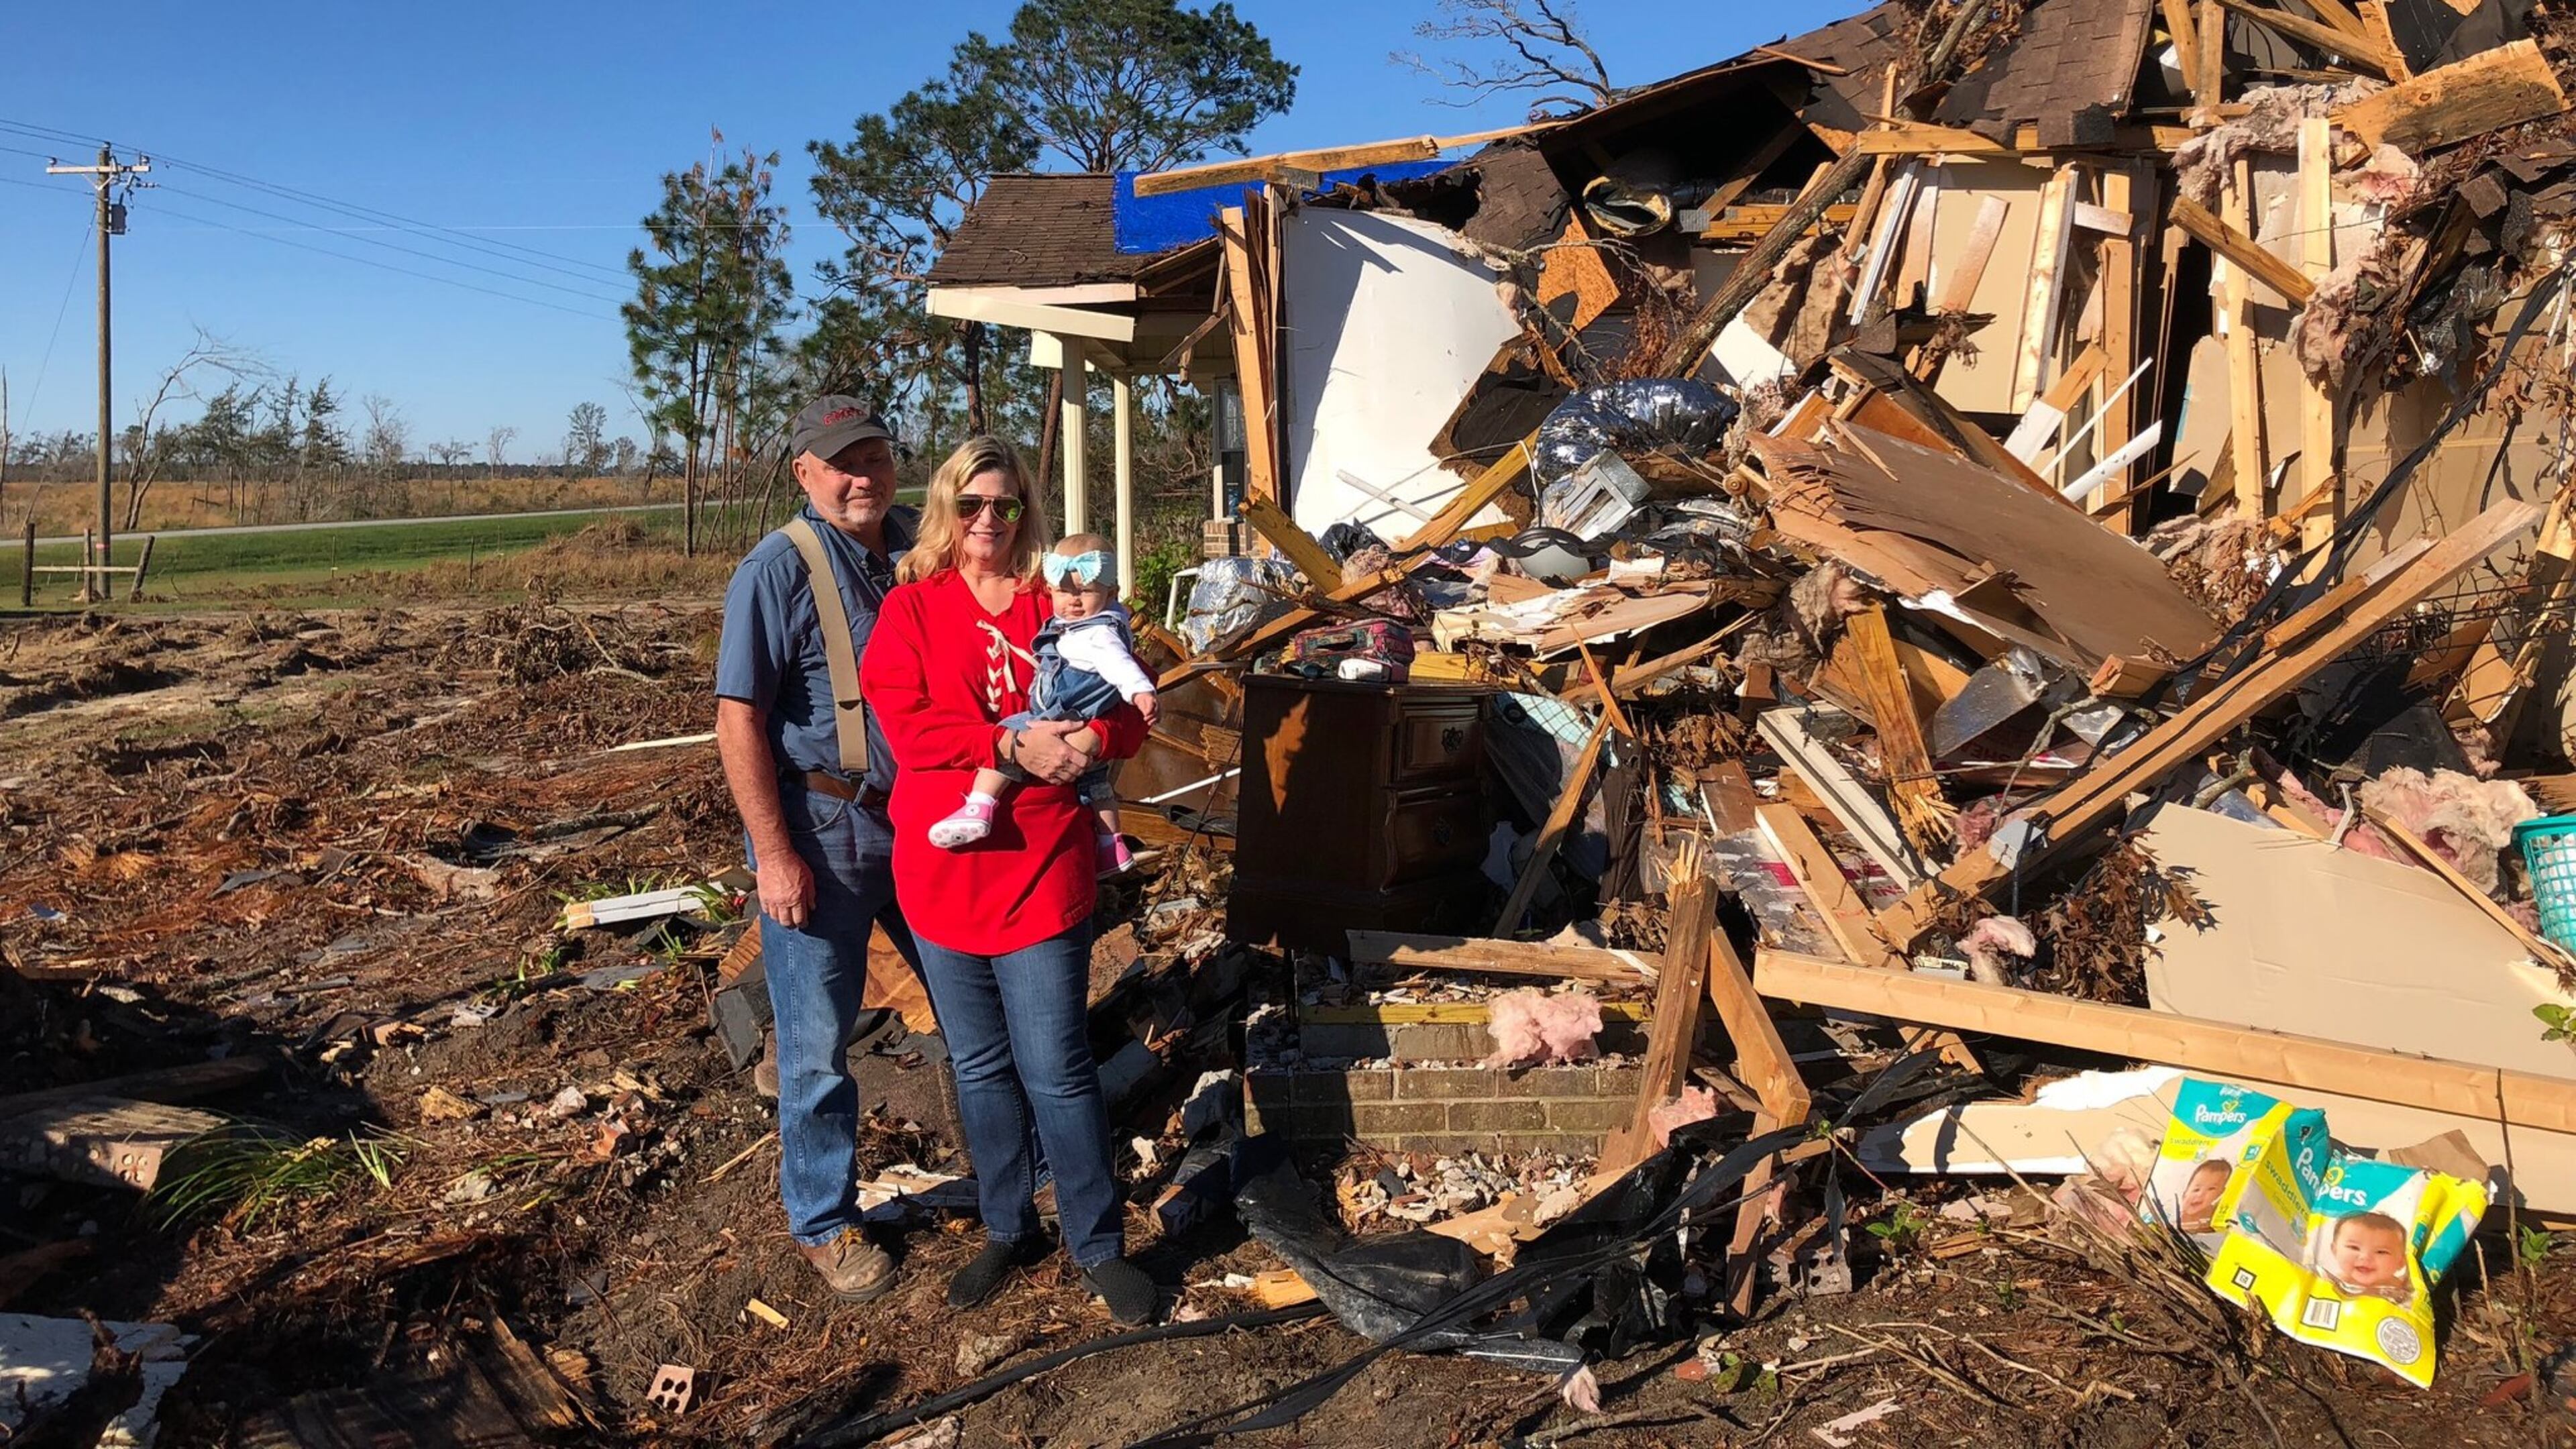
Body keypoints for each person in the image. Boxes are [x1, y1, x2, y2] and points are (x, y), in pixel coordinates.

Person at [860, 436, 1160, 1325]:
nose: (989, 520)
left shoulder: (1061, 597)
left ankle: (1096, 1244)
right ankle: (1006, 1224)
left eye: (1007, 504)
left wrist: (1087, 745)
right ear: (947, 510)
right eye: (972, 503)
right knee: (981, 1065)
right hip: (944, 868)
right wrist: (1005, 743)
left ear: (1027, 512)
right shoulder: (912, 609)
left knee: (1057, 1067)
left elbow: (1133, 711)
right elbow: (911, 733)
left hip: (1041, 868)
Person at [713, 396, 921, 1303]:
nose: (860, 476)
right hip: (825, 832)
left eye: (873, 457)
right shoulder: (775, 569)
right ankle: (825, 1222)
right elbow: (737, 721)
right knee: (814, 1047)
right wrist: (775, 854)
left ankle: (1014, 1178)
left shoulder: (923, 547)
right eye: (841, 462)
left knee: (974, 1008)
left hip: (928, 821)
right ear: (804, 472)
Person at [926, 532, 1159, 875]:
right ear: (1050, 589)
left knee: (1007, 738)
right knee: (1097, 786)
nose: (1074, 601)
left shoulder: (1096, 634)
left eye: (1086, 592)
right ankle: (1112, 846)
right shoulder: (1101, 622)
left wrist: (1139, 691)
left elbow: (1120, 665)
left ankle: (980, 805)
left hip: (1058, 710)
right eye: (1065, 592)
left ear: (1111, 595)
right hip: (1086, 718)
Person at [2322, 1211, 2413, 1303]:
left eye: (2381, 1252)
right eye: (2354, 1247)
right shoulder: (2332, 1284)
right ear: (2335, 1250)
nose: (2365, 1257)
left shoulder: (2401, 1289)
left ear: (2401, 1262)